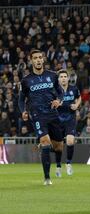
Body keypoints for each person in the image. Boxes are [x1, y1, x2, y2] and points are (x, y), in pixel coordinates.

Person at [18, 49, 64, 185]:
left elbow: (60, 92)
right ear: (31, 61)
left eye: (40, 57)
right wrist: (23, 111)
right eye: (35, 58)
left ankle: (45, 148)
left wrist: (58, 101)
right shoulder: (26, 80)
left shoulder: (53, 76)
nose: (38, 60)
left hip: (53, 114)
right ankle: (47, 178)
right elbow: (21, 100)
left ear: (43, 59)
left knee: (58, 147)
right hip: (37, 116)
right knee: (45, 142)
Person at [57, 69, 81, 176]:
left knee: (70, 141)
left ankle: (68, 163)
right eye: (61, 77)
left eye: (64, 77)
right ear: (58, 79)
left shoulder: (74, 89)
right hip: (57, 120)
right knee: (58, 145)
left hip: (70, 119)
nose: (63, 78)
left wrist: (76, 105)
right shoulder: (55, 91)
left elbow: (79, 97)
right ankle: (58, 166)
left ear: (68, 78)